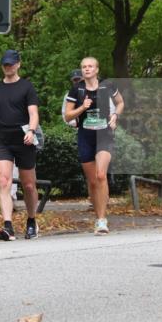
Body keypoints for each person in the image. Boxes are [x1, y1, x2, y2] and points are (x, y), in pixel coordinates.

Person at [0, 49, 41, 241]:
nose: (8, 67)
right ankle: (8, 226)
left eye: (11, 64)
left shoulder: (27, 87)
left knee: (29, 185)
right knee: (4, 181)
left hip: (24, 139)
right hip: (3, 140)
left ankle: (32, 220)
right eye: (5, 64)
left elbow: (34, 114)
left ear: (18, 64)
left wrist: (31, 131)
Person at [64, 56, 125, 234]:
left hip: (104, 134)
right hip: (85, 136)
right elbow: (68, 116)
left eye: (90, 66)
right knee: (92, 182)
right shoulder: (77, 90)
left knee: (100, 175)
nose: (87, 69)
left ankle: (101, 220)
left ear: (97, 69)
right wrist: (82, 108)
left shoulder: (108, 86)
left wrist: (115, 116)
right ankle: (98, 215)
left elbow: (120, 103)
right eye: (84, 67)